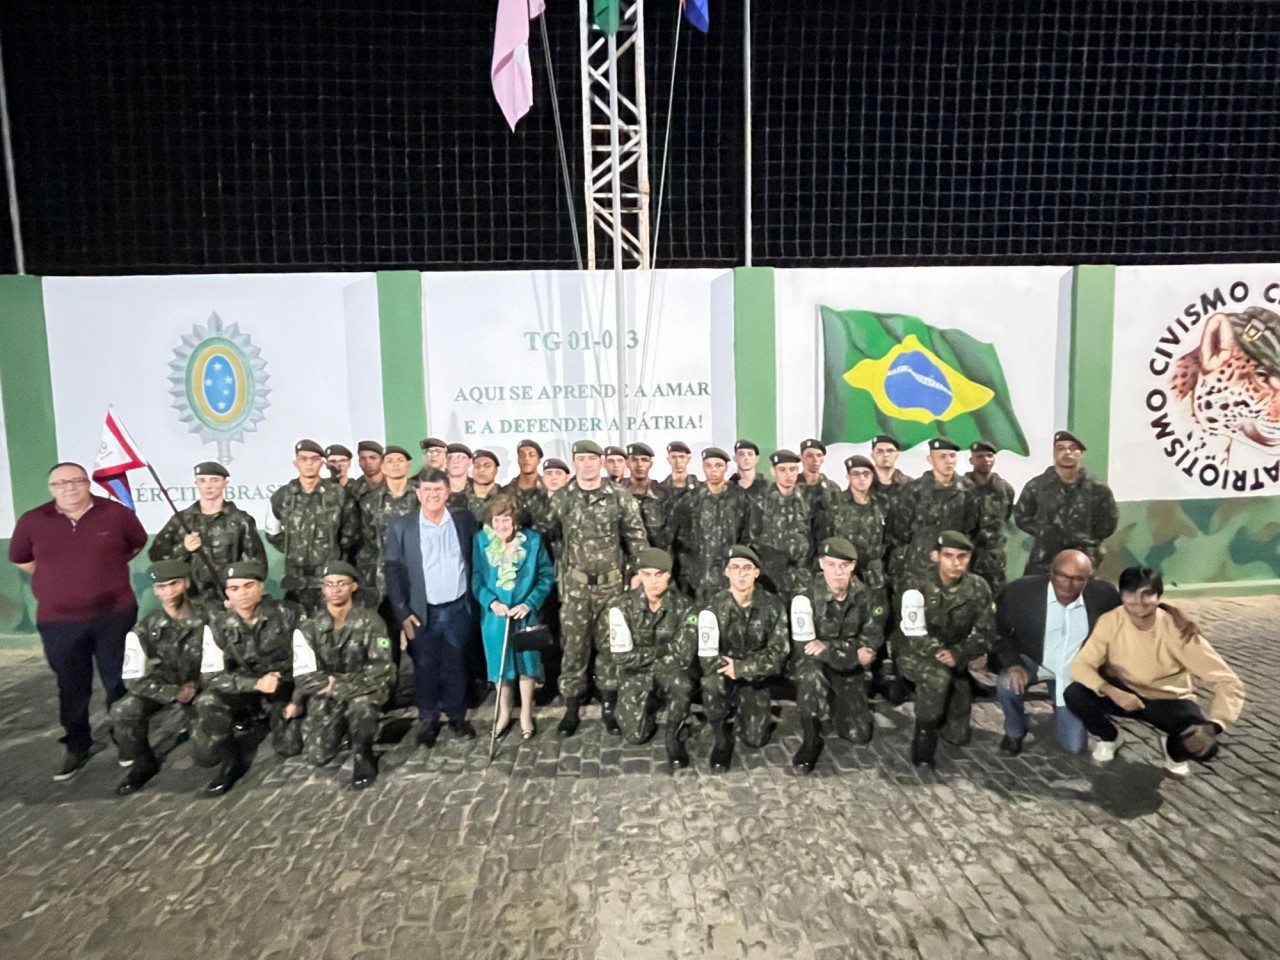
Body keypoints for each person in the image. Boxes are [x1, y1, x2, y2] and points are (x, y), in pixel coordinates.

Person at [8, 462, 148, 780]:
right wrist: (58, 578)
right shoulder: (32, 521)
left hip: (115, 615)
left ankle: (125, 738)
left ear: (88, 483)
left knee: (118, 680)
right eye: (61, 483)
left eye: (76, 481)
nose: (69, 487)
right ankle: (77, 744)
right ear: (51, 489)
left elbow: (136, 544)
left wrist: (104, 566)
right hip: (59, 621)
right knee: (71, 685)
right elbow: (22, 559)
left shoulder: (116, 513)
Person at [1066, 566, 1245, 777]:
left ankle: (1173, 753)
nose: (1138, 601)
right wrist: (1111, 691)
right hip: (1125, 694)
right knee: (1074, 694)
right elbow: (1080, 665)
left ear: (1159, 596)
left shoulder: (1179, 630)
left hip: (1169, 701)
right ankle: (1110, 738)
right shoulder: (1110, 621)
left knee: (1202, 745)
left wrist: (1216, 725)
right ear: (1121, 595)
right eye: (1131, 593)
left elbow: (1228, 681)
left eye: (1147, 594)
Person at [531, 440, 648, 736]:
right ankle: (572, 708)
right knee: (574, 649)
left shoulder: (619, 495)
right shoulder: (563, 497)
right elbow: (542, 531)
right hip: (575, 588)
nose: (587, 464)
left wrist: (638, 572)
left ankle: (609, 707)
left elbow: (636, 536)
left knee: (610, 648)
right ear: (574, 463)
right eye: (581, 459)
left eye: (592, 458)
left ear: (601, 462)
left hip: (612, 588)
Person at [384, 467, 480, 747]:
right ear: (418, 493)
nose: (433, 495)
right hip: (421, 612)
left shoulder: (463, 520)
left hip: (458, 609)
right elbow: (392, 570)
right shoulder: (401, 527)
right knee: (425, 667)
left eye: (438, 489)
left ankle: (457, 716)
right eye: (427, 490)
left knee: (456, 664)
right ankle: (427, 720)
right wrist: (402, 612)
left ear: (447, 492)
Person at [993, 549, 1120, 756]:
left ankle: (1062, 704)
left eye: (1078, 579)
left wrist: (1169, 612)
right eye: (1062, 576)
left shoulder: (1104, 596)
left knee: (1074, 747)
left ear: (1089, 580)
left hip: (1073, 671)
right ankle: (1014, 731)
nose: (1068, 584)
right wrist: (1014, 664)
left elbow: (1130, 616)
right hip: (1034, 660)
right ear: (1051, 573)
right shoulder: (1020, 592)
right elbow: (1000, 632)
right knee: (1007, 683)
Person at [281, 562, 394, 790]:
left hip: (362, 690)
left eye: (342, 583)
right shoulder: (309, 628)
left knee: (363, 708)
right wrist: (326, 689)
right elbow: (304, 675)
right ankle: (342, 728)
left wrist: (337, 685)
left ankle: (362, 752)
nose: (335, 589)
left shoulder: (371, 621)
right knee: (317, 755)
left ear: (353, 586)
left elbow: (381, 668)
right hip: (328, 693)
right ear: (323, 589)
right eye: (329, 584)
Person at [193, 560, 302, 796]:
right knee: (205, 744)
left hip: (282, 685)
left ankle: (269, 715)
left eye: (248, 586)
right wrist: (254, 684)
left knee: (289, 747)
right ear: (227, 594)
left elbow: (307, 662)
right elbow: (210, 676)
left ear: (261, 587)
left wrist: (297, 698)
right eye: (234, 588)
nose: (242, 593)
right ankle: (231, 762)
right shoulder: (217, 626)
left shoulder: (289, 613)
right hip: (244, 688)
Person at [890, 531, 995, 767]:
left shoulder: (978, 588)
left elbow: (986, 632)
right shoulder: (915, 585)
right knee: (937, 677)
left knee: (957, 736)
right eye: (948, 556)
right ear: (935, 556)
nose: (956, 563)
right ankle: (923, 738)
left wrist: (959, 652)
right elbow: (911, 632)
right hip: (915, 653)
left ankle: (939, 701)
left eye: (962, 557)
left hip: (955, 656)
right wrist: (940, 653)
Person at [109, 560, 209, 795]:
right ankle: (142, 763)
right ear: (155, 591)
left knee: (208, 756)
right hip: (168, 684)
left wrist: (197, 685)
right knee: (122, 710)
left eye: (174, 584)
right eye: (162, 587)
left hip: (204, 685)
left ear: (186, 583)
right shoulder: (145, 628)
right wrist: (173, 693)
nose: (169, 592)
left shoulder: (210, 617)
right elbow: (133, 678)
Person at [791, 538, 885, 773]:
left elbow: (869, 645)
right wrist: (851, 651)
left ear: (852, 566)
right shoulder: (805, 595)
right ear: (822, 564)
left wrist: (827, 647)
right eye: (831, 564)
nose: (837, 572)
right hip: (817, 665)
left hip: (849, 669)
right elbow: (804, 646)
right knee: (810, 675)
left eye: (844, 565)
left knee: (859, 734)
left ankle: (835, 704)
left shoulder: (867, 595)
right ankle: (811, 737)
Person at [471, 492, 555, 740]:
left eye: (506, 520)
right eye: (496, 521)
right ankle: (504, 713)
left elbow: (546, 576)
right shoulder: (481, 541)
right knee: (501, 667)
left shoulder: (533, 541)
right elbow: (476, 578)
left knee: (527, 665)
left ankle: (527, 713)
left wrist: (530, 603)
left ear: (515, 521)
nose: (501, 526)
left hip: (526, 616)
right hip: (495, 617)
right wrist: (492, 602)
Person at [699, 546, 789, 772]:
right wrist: (728, 667)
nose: (741, 574)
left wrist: (742, 667)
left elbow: (779, 652)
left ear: (756, 573)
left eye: (747, 568)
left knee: (755, 739)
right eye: (735, 568)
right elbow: (706, 655)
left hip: (754, 676)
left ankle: (741, 709)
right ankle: (721, 736)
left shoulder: (773, 605)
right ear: (726, 572)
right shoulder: (712, 606)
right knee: (711, 683)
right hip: (722, 673)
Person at [605, 548, 697, 767]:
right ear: (639, 575)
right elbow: (621, 656)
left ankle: (674, 733)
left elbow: (684, 655)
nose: (653, 581)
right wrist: (662, 651)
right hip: (637, 673)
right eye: (646, 575)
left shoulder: (686, 607)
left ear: (669, 575)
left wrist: (642, 656)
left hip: (669, 672)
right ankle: (651, 702)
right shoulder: (622, 607)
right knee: (635, 736)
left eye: (659, 574)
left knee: (682, 684)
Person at [266, 439, 360, 616]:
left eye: (314, 459)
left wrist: (330, 552)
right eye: (303, 459)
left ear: (322, 463)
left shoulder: (338, 494)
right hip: (295, 581)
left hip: (329, 581)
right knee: (296, 627)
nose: (309, 463)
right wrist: (294, 549)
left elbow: (350, 534)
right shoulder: (283, 496)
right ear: (295, 463)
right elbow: (273, 533)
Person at [148, 460, 266, 598]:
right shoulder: (182, 520)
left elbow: (256, 564)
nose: (208, 486)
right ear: (196, 484)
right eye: (202, 481)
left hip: (227, 597)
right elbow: (156, 556)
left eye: (214, 480)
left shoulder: (240, 520)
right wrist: (184, 548)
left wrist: (238, 592)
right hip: (190, 598)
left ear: (225, 483)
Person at [1014, 430, 1118, 575]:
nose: (1067, 453)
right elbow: (1021, 517)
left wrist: (1083, 537)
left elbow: (1108, 524)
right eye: (1061, 448)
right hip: (1044, 561)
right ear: (1054, 453)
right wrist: (1045, 533)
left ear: (1081, 453)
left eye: (1073, 448)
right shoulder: (1037, 486)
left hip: (1084, 560)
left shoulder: (1098, 489)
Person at [886, 438, 981, 587]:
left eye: (952, 456)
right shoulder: (913, 490)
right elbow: (900, 532)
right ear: (930, 459)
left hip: (954, 568)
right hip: (919, 568)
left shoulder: (967, 490)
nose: (948, 461)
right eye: (942, 456)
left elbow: (971, 528)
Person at [671, 447, 749, 603]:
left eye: (718, 466)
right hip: (697, 581)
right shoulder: (690, 500)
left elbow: (747, 536)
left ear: (726, 467)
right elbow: (677, 540)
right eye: (708, 466)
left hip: (732, 578)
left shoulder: (739, 498)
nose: (713, 470)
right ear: (703, 467)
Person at [356, 445, 418, 638]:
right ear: (382, 466)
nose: (395, 465)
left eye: (400, 460)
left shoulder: (421, 496)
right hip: (384, 579)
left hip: (418, 576)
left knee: (419, 634)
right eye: (390, 461)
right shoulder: (370, 501)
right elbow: (368, 540)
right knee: (388, 634)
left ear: (408, 465)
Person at [747, 449, 815, 602]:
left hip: (801, 577)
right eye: (782, 470)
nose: (788, 474)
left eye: (792, 469)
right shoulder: (761, 501)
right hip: (771, 578)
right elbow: (752, 537)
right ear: (773, 471)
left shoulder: (807, 499)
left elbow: (813, 535)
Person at [819, 455, 888, 604]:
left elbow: (889, 538)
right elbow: (824, 540)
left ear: (872, 476)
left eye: (866, 474)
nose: (862, 478)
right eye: (856, 474)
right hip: (845, 575)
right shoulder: (836, 505)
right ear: (848, 477)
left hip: (874, 576)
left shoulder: (881, 504)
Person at [964, 441, 1016, 593]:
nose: (986, 460)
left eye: (989, 456)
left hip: (994, 559)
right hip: (965, 557)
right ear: (971, 460)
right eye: (980, 456)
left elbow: (1005, 516)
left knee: (998, 597)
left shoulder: (1004, 489)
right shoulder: (961, 487)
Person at [625, 442, 671, 551]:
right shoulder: (617, 494)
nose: (639, 464)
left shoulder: (664, 495)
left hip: (656, 558)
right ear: (627, 463)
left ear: (651, 464)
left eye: (644, 460)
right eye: (634, 460)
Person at [501, 438, 545, 528]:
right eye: (522, 455)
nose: (526, 458)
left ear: (539, 460)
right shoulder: (506, 492)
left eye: (531, 455)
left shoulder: (548, 490)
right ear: (517, 460)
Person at [798, 438, 841, 514]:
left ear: (823, 459)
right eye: (810, 455)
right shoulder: (791, 486)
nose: (815, 459)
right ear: (801, 457)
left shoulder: (832, 488)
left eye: (819, 455)